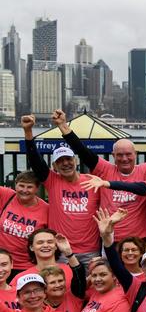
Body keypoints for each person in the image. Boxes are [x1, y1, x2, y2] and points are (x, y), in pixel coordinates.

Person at [51, 104, 146, 241]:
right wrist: (63, 126)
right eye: (120, 155)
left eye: (128, 154)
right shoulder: (104, 169)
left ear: (135, 154)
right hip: (111, 238)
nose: (124, 159)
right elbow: (82, 150)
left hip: (139, 240)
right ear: (113, 156)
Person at [22, 115, 101, 268]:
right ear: (54, 166)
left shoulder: (92, 181)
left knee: (92, 290)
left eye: (68, 159)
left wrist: (63, 125)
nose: (65, 164)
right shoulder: (53, 181)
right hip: (61, 251)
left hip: (91, 251)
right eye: (60, 161)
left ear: (76, 161)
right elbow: (35, 160)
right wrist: (28, 131)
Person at [0, 171, 49, 278]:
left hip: (26, 267)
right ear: (15, 185)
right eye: (21, 185)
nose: (24, 190)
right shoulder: (6, 195)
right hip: (2, 264)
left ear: (37, 188)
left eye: (29, 187)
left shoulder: (46, 209)